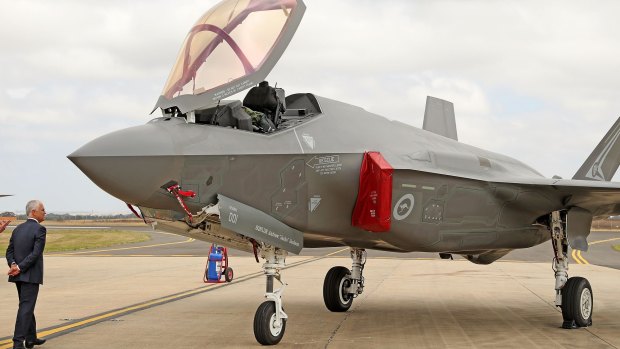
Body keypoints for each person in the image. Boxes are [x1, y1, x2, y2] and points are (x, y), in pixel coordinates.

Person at [6, 200, 47, 349]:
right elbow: (36, 253)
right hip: (29, 275)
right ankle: (18, 343)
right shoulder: (40, 229)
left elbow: (9, 251)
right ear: (33, 212)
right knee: (26, 307)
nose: (45, 212)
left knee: (26, 305)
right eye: (42, 210)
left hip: (18, 275)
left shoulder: (18, 229)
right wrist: (20, 267)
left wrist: (13, 265)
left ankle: (31, 338)